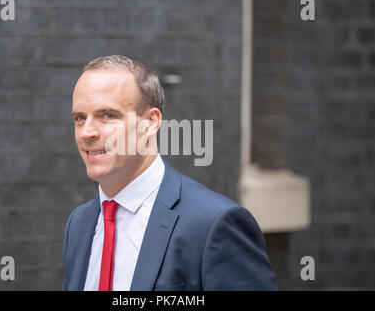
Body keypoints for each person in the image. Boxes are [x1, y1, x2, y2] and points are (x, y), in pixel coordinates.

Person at [63, 55, 277, 291]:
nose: (87, 132)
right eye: (80, 118)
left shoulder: (213, 224)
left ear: (151, 122)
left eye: (108, 115)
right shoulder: (79, 224)